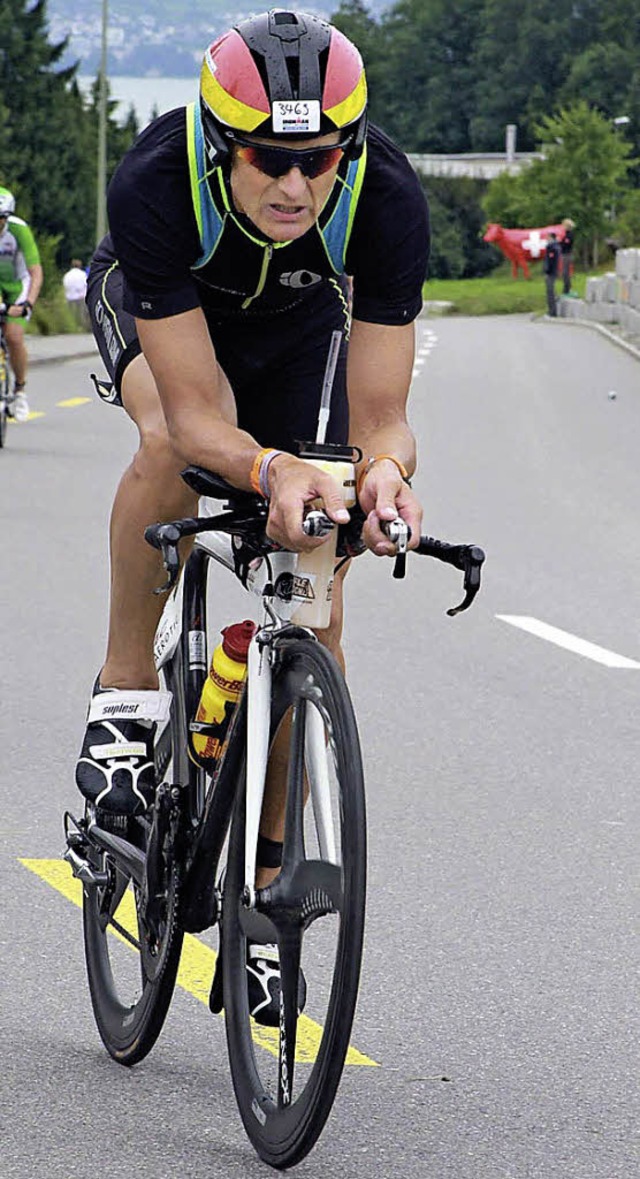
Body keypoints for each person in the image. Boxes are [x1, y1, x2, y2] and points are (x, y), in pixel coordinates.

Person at [76, 8, 429, 1022]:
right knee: (167, 448)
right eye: (268, 159)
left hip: (294, 325)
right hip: (167, 317)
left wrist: (381, 478)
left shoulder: (385, 197)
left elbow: (383, 418)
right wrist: (265, 464)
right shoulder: (157, 179)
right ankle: (127, 691)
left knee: (314, 573)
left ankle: (268, 884)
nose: (294, 184)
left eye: (318, 160)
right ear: (225, 143)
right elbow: (196, 416)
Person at [0, 186, 42, 420]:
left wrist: (28, 303)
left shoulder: (18, 230)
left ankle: (19, 390)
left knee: (14, 336)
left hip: (18, 286)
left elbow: (35, 271)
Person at [62, 258, 89, 328]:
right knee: (81, 315)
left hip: (69, 297)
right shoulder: (82, 274)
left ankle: (72, 327)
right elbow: (86, 285)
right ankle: (82, 328)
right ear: (80, 266)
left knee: (72, 315)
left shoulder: (67, 275)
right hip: (81, 297)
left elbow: (65, 285)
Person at [543, 231, 562, 316]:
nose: (546, 239)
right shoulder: (555, 247)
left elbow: (550, 261)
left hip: (551, 272)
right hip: (553, 271)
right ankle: (552, 310)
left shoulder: (552, 248)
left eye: (548, 237)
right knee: (550, 291)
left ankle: (552, 311)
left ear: (551, 238)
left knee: (550, 291)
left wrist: (547, 271)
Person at [560, 218, 575, 295]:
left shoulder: (569, 235)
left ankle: (567, 289)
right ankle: (566, 288)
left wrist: (560, 242)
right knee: (564, 273)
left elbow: (566, 244)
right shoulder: (565, 234)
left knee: (565, 273)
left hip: (567, 254)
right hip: (565, 254)